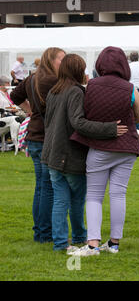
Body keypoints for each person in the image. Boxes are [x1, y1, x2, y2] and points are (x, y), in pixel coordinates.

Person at [41, 54, 128, 252]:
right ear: (78, 71)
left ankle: (61, 243)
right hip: (68, 156)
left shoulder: (54, 91)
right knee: (78, 200)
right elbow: (78, 123)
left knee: (60, 201)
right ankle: (80, 237)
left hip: (52, 154)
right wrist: (109, 129)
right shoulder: (75, 92)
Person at [69, 46, 139, 256]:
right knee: (118, 194)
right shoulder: (130, 88)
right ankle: (114, 244)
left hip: (100, 146)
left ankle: (93, 244)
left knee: (94, 196)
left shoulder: (90, 85)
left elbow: (86, 114)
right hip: (127, 147)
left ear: (100, 64)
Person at [10, 47, 66, 243]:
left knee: (41, 187)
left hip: (34, 137)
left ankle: (40, 232)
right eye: (62, 59)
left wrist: (30, 111)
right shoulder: (55, 81)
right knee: (48, 187)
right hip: (47, 138)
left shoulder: (32, 78)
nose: (64, 63)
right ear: (51, 60)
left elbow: (15, 97)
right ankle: (45, 233)